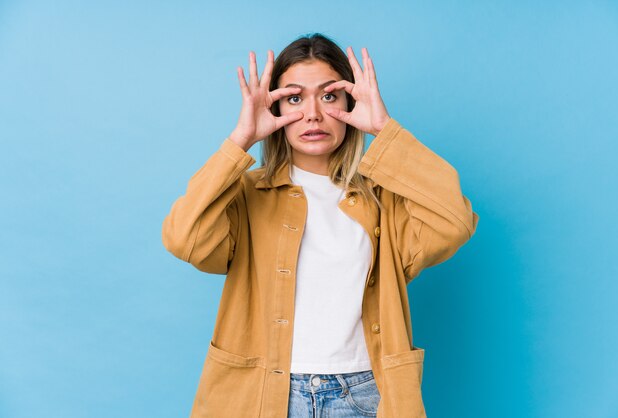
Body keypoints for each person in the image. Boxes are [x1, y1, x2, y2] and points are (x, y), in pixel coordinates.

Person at [162, 33, 479, 418]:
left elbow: (455, 222)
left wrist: (384, 128)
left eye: (329, 95)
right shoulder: (245, 192)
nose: (312, 114)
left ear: (350, 102)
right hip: (263, 395)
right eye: (294, 98)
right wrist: (240, 140)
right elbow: (185, 240)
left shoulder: (386, 197)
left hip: (363, 394)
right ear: (275, 108)